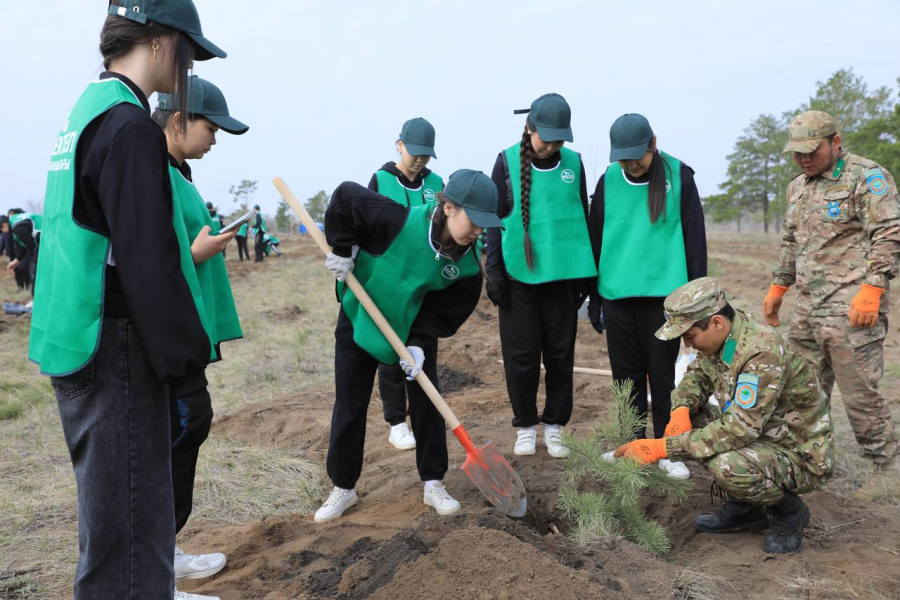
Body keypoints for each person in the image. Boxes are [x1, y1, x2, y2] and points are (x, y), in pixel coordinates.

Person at [28, 2, 226, 599]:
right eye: (188, 51)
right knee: (134, 537)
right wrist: (187, 371)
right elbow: (149, 263)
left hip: (72, 339)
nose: (189, 67)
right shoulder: (131, 127)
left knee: (110, 527)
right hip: (113, 347)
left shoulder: (84, 113)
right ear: (161, 41)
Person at [314, 169, 501, 523]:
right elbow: (345, 197)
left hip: (408, 330)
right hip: (359, 315)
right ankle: (343, 486)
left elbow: (443, 312)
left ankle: (433, 482)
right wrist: (342, 249)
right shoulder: (397, 220)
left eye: (485, 224)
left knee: (427, 402)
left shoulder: (466, 270)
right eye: (474, 221)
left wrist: (417, 344)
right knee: (350, 401)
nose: (479, 231)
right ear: (449, 208)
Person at [615, 278, 833, 554]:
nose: (688, 344)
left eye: (690, 336)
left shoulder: (760, 352)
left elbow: (739, 430)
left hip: (799, 451)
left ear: (716, 322)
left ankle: (789, 513)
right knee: (696, 421)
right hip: (765, 433)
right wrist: (681, 409)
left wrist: (662, 448)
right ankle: (746, 508)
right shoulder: (726, 336)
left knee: (727, 465)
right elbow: (697, 376)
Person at [762, 111, 900, 499]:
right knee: (798, 390)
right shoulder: (797, 186)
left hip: (852, 311)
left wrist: (873, 287)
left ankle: (887, 469)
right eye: (798, 153)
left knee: (860, 394)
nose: (805, 159)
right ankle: (806, 462)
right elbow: (791, 241)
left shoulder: (865, 176)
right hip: (807, 310)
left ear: (835, 142)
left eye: (813, 151)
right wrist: (779, 286)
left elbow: (889, 233)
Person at [153, 74, 248, 590]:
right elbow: (150, 257)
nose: (215, 139)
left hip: (187, 329)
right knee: (180, 430)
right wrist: (195, 253)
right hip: (168, 334)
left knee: (187, 429)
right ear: (178, 121)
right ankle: (155, 570)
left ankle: (164, 552)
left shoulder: (177, 171)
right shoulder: (151, 172)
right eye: (211, 128)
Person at [588, 114, 707, 480]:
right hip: (618, 296)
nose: (631, 165)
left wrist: (696, 303)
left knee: (662, 376)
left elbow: (695, 242)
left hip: (664, 300)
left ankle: (669, 450)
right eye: (623, 159)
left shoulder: (679, 176)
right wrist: (595, 298)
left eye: (636, 157)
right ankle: (631, 446)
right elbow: (595, 239)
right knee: (625, 379)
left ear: (653, 144)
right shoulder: (608, 181)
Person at [484, 93, 596, 459]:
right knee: (522, 357)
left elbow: (581, 219)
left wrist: (585, 278)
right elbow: (494, 221)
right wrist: (494, 270)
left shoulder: (574, 164)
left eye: (558, 140)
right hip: (518, 278)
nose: (551, 147)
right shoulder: (505, 162)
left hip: (562, 279)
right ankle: (526, 426)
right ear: (528, 128)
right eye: (545, 139)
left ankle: (555, 425)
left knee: (560, 356)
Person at [367, 117, 444, 452]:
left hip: (424, 283)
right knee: (390, 354)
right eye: (414, 152)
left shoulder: (436, 183)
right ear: (399, 146)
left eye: (426, 154)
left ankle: (425, 419)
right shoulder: (381, 180)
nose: (420, 160)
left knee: (423, 351)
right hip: (389, 281)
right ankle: (397, 422)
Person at [6, 208, 41, 294]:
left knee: (35, 271)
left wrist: (34, 261)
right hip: (43, 240)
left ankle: (36, 297)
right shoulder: (18, 221)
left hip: (47, 239)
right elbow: (24, 244)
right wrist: (17, 260)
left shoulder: (17, 225)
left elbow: (32, 246)